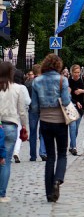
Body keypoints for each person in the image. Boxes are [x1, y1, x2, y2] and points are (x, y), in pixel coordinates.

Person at [31, 54, 70, 202]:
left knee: (50, 157)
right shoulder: (62, 80)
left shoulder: (37, 81)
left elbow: (34, 107)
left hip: (45, 122)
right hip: (60, 121)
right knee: (62, 153)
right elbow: (66, 102)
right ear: (58, 66)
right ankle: (58, 179)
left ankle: (49, 193)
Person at [0, 62, 28, 203]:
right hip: (11, 125)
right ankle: (2, 194)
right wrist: (24, 126)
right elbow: (22, 111)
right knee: (6, 162)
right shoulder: (18, 89)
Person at [26, 64, 46, 161]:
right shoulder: (44, 82)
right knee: (43, 131)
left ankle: (33, 155)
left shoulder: (28, 83)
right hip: (43, 109)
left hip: (32, 110)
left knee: (32, 132)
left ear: (33, 72)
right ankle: (43, 152)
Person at [67, 65, 84, 155]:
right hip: (71, 106)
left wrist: (81, 91)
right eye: (75, 72)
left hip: (80, 107)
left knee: (76, 129)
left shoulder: (83, 80)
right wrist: (75, 102)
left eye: (78, 72)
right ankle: (74, 147)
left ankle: (71, 146)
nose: (76, 74)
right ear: (72, 72)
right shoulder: (69, 81)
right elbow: (67, 95)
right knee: (72, 127)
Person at [11, 69, 30, 164]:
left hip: (10, 113)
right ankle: (16, 152)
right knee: (19, 134)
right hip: (19, 113)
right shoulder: (22, 87)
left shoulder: (8, 86)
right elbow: (28, 101)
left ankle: (9, 152)